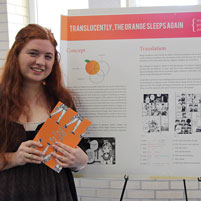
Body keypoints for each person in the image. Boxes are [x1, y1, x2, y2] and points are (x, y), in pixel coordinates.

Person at [0, 24, 88, 201]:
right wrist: (14, 158)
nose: (41, 62)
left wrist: (80, 161)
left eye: (48, 56)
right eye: (33, 53)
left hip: (56, 193)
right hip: (9, 193)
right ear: (16, 55)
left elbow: (80, 150)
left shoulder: (62, 101)